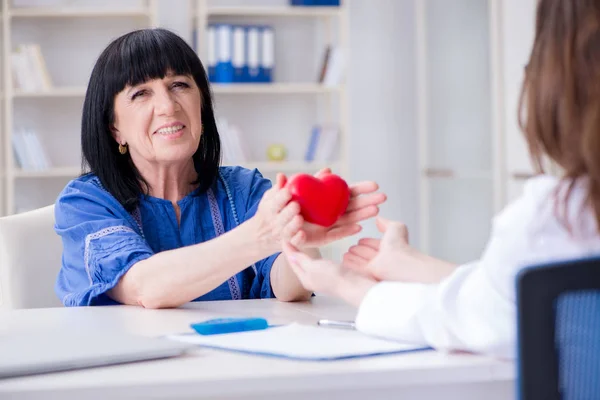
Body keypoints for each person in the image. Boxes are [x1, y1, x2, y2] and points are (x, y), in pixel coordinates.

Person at [282, 0, 600, 359]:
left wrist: (344, 283)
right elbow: (505, 293)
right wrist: (408, 263)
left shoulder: (559, 216)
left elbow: (468, 318)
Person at [54, 28, 386, 308]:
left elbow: (290, 288)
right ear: (115, 128)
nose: (168, 106)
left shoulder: (244, 189)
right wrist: (261, 235)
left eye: (179, 85)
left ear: (202, 104)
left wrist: (298, 233)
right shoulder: (85, 203)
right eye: (141, 93)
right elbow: (146, 287)